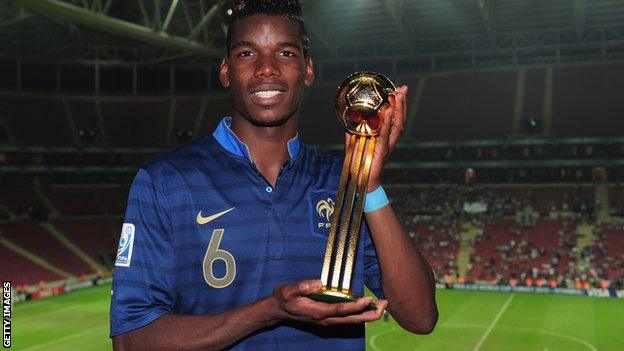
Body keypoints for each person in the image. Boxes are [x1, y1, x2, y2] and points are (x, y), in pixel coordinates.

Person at [109, 1, 438, 350]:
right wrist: (270, 310)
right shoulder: (166, 180)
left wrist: (369, 185)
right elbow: (131, 341)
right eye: (247, 53)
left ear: (308, 69)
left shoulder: (343, 183)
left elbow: (420, 317)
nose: (267, 69)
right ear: (225, 71)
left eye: (285, 53)